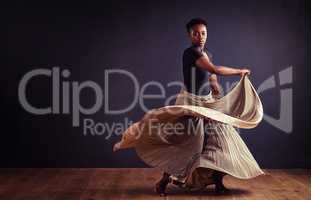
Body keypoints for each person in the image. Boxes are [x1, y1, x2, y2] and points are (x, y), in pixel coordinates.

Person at [155, 18, 251, 196]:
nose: (200, 37)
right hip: (190, 102)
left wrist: (217, 96)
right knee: (187, 144)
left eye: (203, 33)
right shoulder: (191, 53)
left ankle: (218, 183)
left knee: (221, 140)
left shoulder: (207, 53)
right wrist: (239, 71)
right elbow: (213, 69)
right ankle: (163, 182)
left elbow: (212, 77)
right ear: (189, 35)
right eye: (196, 33)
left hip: (206, 102)